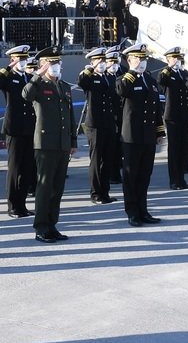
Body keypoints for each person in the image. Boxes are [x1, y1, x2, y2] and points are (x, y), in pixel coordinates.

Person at [26, 47, 75, 241]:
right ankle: (41, 227)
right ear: (43, 65)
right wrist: (37, 75)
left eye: (58, 62)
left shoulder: (64, 86)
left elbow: (70, 115)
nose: (56, 65)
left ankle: (52, 224)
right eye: (52, 62)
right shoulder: (38, 84)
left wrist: (72, 141)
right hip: (45, 144)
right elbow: (26, 95)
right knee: (45, 187)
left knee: (57, 188)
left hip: (62, 143)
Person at [117, 42, 165, 225]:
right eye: (138, 58)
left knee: (145, 175)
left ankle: (143, 210)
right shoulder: (124, 79)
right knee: (131, 176)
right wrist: (131, 71)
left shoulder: (150, 81)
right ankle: (132, 212)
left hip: (148, 135)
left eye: (143, 59)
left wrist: (159, 131)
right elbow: (121, 91)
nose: (142, 62)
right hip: (132, 136)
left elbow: (156, 108)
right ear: (129, 60)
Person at [0, 44, 36, 219]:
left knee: (27, 168)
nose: (24, 62)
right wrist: (8, 67)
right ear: (13, 60)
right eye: (20, 59)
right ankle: (13, 206)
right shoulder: (9, 77)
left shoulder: (29, 77)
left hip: (29, 127)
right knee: (15, 168)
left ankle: (22, 205)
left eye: (25, 59)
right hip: (15, 128)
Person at [77, 47, 116, 204]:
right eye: (98, 61)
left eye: (103, 60)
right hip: (95, 124)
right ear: (92, 62)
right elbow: (81, 82)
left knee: (108, 159)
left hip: (108, 123)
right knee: (96, 159)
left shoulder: (109, 77)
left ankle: (105, 192)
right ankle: (95, 193)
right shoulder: (89, 77)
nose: (102, 63)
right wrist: (91, 68)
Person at [157, 46, 188, 190]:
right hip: (173, 116)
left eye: (178, 58)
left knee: (183, 148)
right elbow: (161, 80)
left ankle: (182, 179)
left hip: (184, 115)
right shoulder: (167, 73)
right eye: (174, 58)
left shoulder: (184, 73)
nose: (177, 60)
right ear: (168, 59)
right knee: (174, 149)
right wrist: (169, 67)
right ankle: (174, 180)